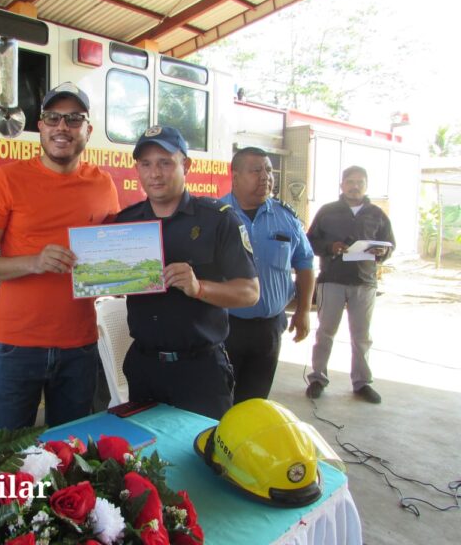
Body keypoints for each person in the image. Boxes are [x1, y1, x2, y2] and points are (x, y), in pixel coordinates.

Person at [0, 82, 120, 437]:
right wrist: (33, 262)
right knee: (5, 460)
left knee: (72, 458)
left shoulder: (103, 184)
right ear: (41, 126)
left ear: (88, 131)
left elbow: (112, 254)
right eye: (53, 118)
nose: (62, 127)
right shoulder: (8, 179)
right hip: (16, 348)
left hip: (79, 347)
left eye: (73, 119)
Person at [116, 126, 259, 420]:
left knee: (202, 458)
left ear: (186, 165)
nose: (155, 173)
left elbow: (250, 293)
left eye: (165, 162)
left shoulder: (219, 220)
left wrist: (199, 288)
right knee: (144, 460)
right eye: (146, 164)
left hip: (201, 371)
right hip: (144, 366)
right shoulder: (125, 224)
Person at [220, 147, 315, 402]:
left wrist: (304, 310)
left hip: (269, 328)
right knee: (220, 400)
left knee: (255, 402)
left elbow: (305, 262)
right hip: (225, 327)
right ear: (236, 177)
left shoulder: (286, 218)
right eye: (256, 171)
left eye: (269, 170)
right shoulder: (215, 217)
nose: (265, 177)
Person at [306, 165, 396, 404]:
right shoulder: (327, 212)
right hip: (332, 280)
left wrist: (382, 252)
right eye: (351, 182)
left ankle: (362, 382)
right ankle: (317, 378)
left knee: (361, 336)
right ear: (342, 184)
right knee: (325, 332)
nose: (355, 186)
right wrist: (330, 247)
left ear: (366, 186)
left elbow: (390, 245)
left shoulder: (376, 214)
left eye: (360, 182)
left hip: (364, 282)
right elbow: (310, 242)